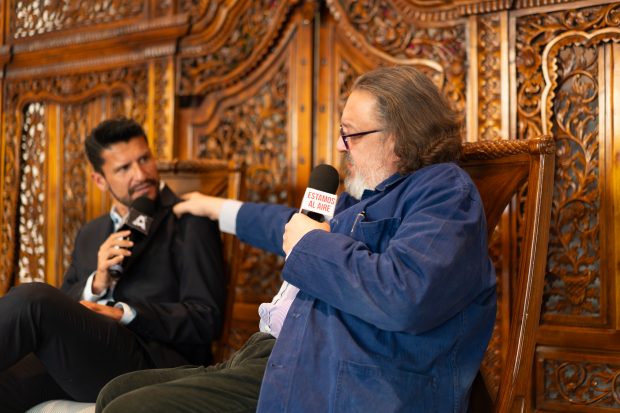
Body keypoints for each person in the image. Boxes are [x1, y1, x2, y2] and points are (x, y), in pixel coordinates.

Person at [96, 66, 497, 412]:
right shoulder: (367, 195)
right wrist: (217, 208)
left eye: (351, 134)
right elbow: (294, 228)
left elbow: (405, 294)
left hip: (338, 377)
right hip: (278, 351)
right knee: (116, 390)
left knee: (131, 408)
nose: (342, 148)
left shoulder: (443, 191)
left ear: (398, 136)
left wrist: (311, 243)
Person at [0, 118, 226, 412]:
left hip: (151, 364)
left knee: (33, 300)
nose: (142, 174)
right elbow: (63, 308)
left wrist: (126, 314)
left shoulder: (189, 221)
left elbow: (206, 318)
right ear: (99, 180)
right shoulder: (91, 233)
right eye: (124, 168)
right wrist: (96, 285)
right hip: (86, 359)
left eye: (144, 159)